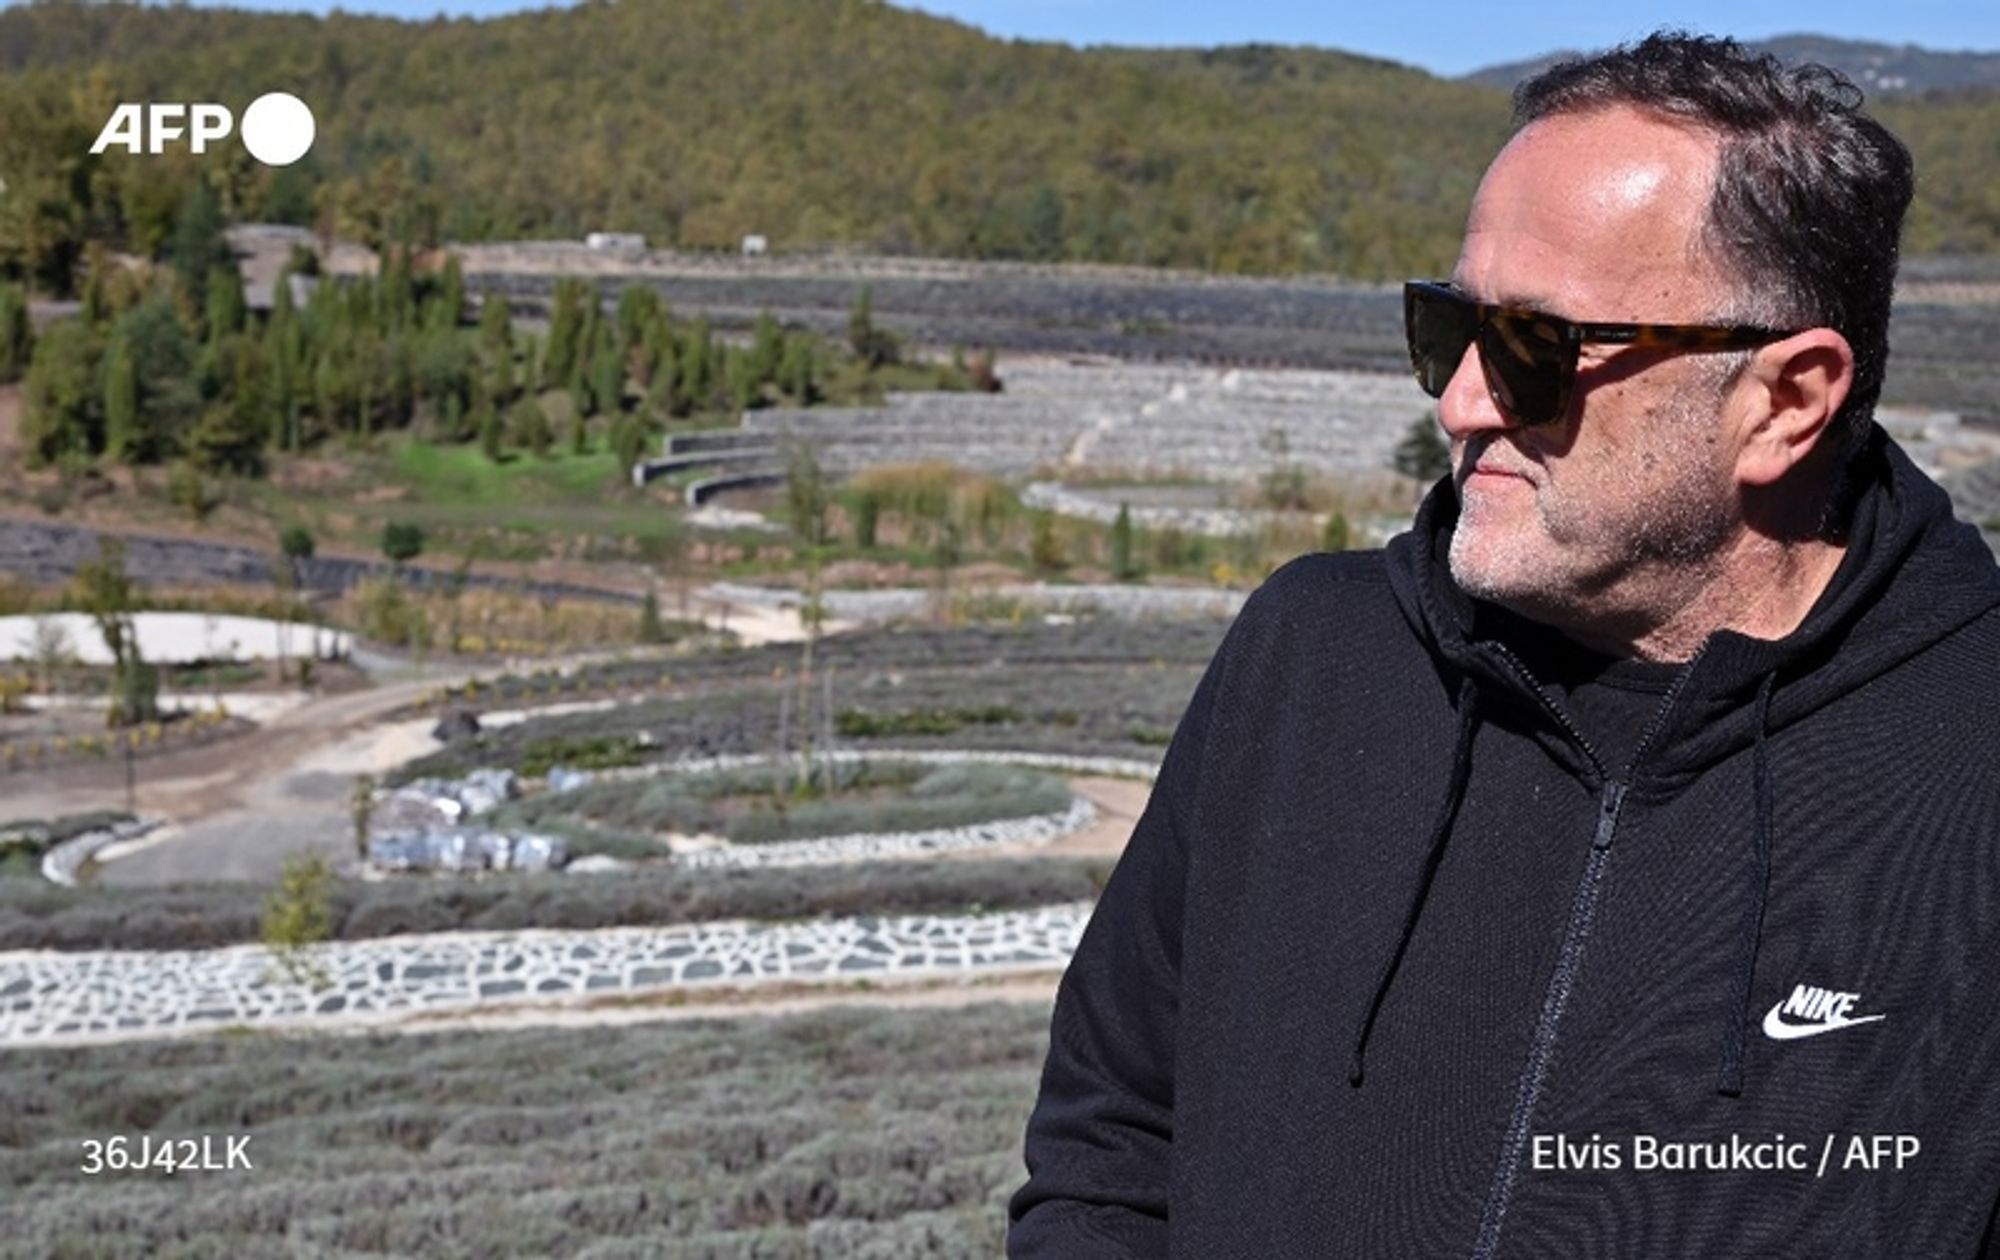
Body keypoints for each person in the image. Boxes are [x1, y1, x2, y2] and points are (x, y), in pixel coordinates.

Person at [1010, 32, 2000, 1259]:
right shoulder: (1309, 657)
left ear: (1783, 401)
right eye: (1446, 327)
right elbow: (1106, 1149)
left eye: (1533, 349)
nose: (1459, 399)